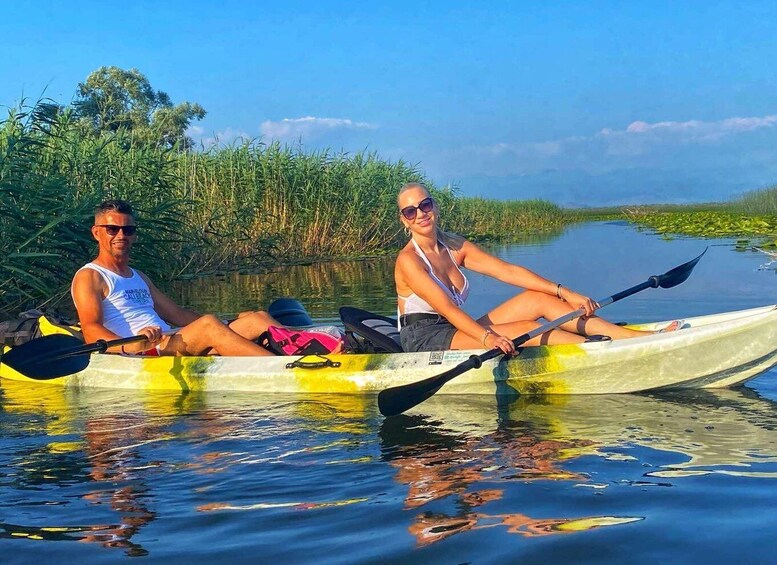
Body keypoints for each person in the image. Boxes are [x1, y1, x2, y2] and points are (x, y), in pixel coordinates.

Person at [394, 183, 680, 354]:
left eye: (425, 204)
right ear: (404, 220)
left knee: (539, 299)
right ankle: (595, 349)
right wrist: (489, 338)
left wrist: (566, 292)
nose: (420, 214)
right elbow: (448, 309)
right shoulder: (409, 260)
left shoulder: (455, 245)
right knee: (529, 328)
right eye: (411, 211)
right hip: (425, 338)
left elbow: (508, 271)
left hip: (455, 327)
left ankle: (636, 339)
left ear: (435, 206)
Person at [71, 199, 278, 356]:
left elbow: (177, 314)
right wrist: (131, 345)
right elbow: (91, 331)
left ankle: (304, 353)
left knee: (257, 319)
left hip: (169, 339)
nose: (121, 236)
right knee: (208, 325)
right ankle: (284, 369)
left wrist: (228, 321)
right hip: (145, 350)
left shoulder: (138, 276)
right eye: (112, 229)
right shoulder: (90, 276)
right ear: (96, 233)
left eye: (128, 230)